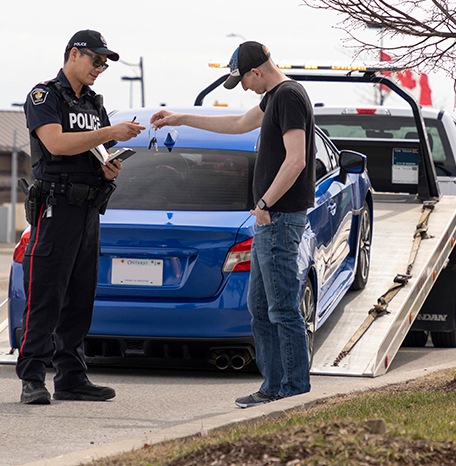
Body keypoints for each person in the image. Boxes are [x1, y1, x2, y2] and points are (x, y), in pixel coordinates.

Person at [151, 41, 315, 408]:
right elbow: (239, 124)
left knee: (282, 308)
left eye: (243, 81)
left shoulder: (288, 96)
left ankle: (292, 390)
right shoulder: (274, 98)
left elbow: (297, 160)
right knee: (259, 307)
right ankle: (273, 386)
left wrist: (264, 203)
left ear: (257, 71)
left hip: (280, 219)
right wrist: (181, 118)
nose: (243, 88)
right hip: (270, 221)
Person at [17, 30, 145, 405]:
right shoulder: (44, 96)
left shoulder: (92, 102)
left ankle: (72, 377)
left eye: (105, 64)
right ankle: (33, 378)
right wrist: (110, 131)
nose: (100, 68)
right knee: (46, 296)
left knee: (79, 297)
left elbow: (99, 150)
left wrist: (110, 165)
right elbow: (56, 143)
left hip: (88, 209)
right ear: (75, 54)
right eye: (96, 60)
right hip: (56, 208)